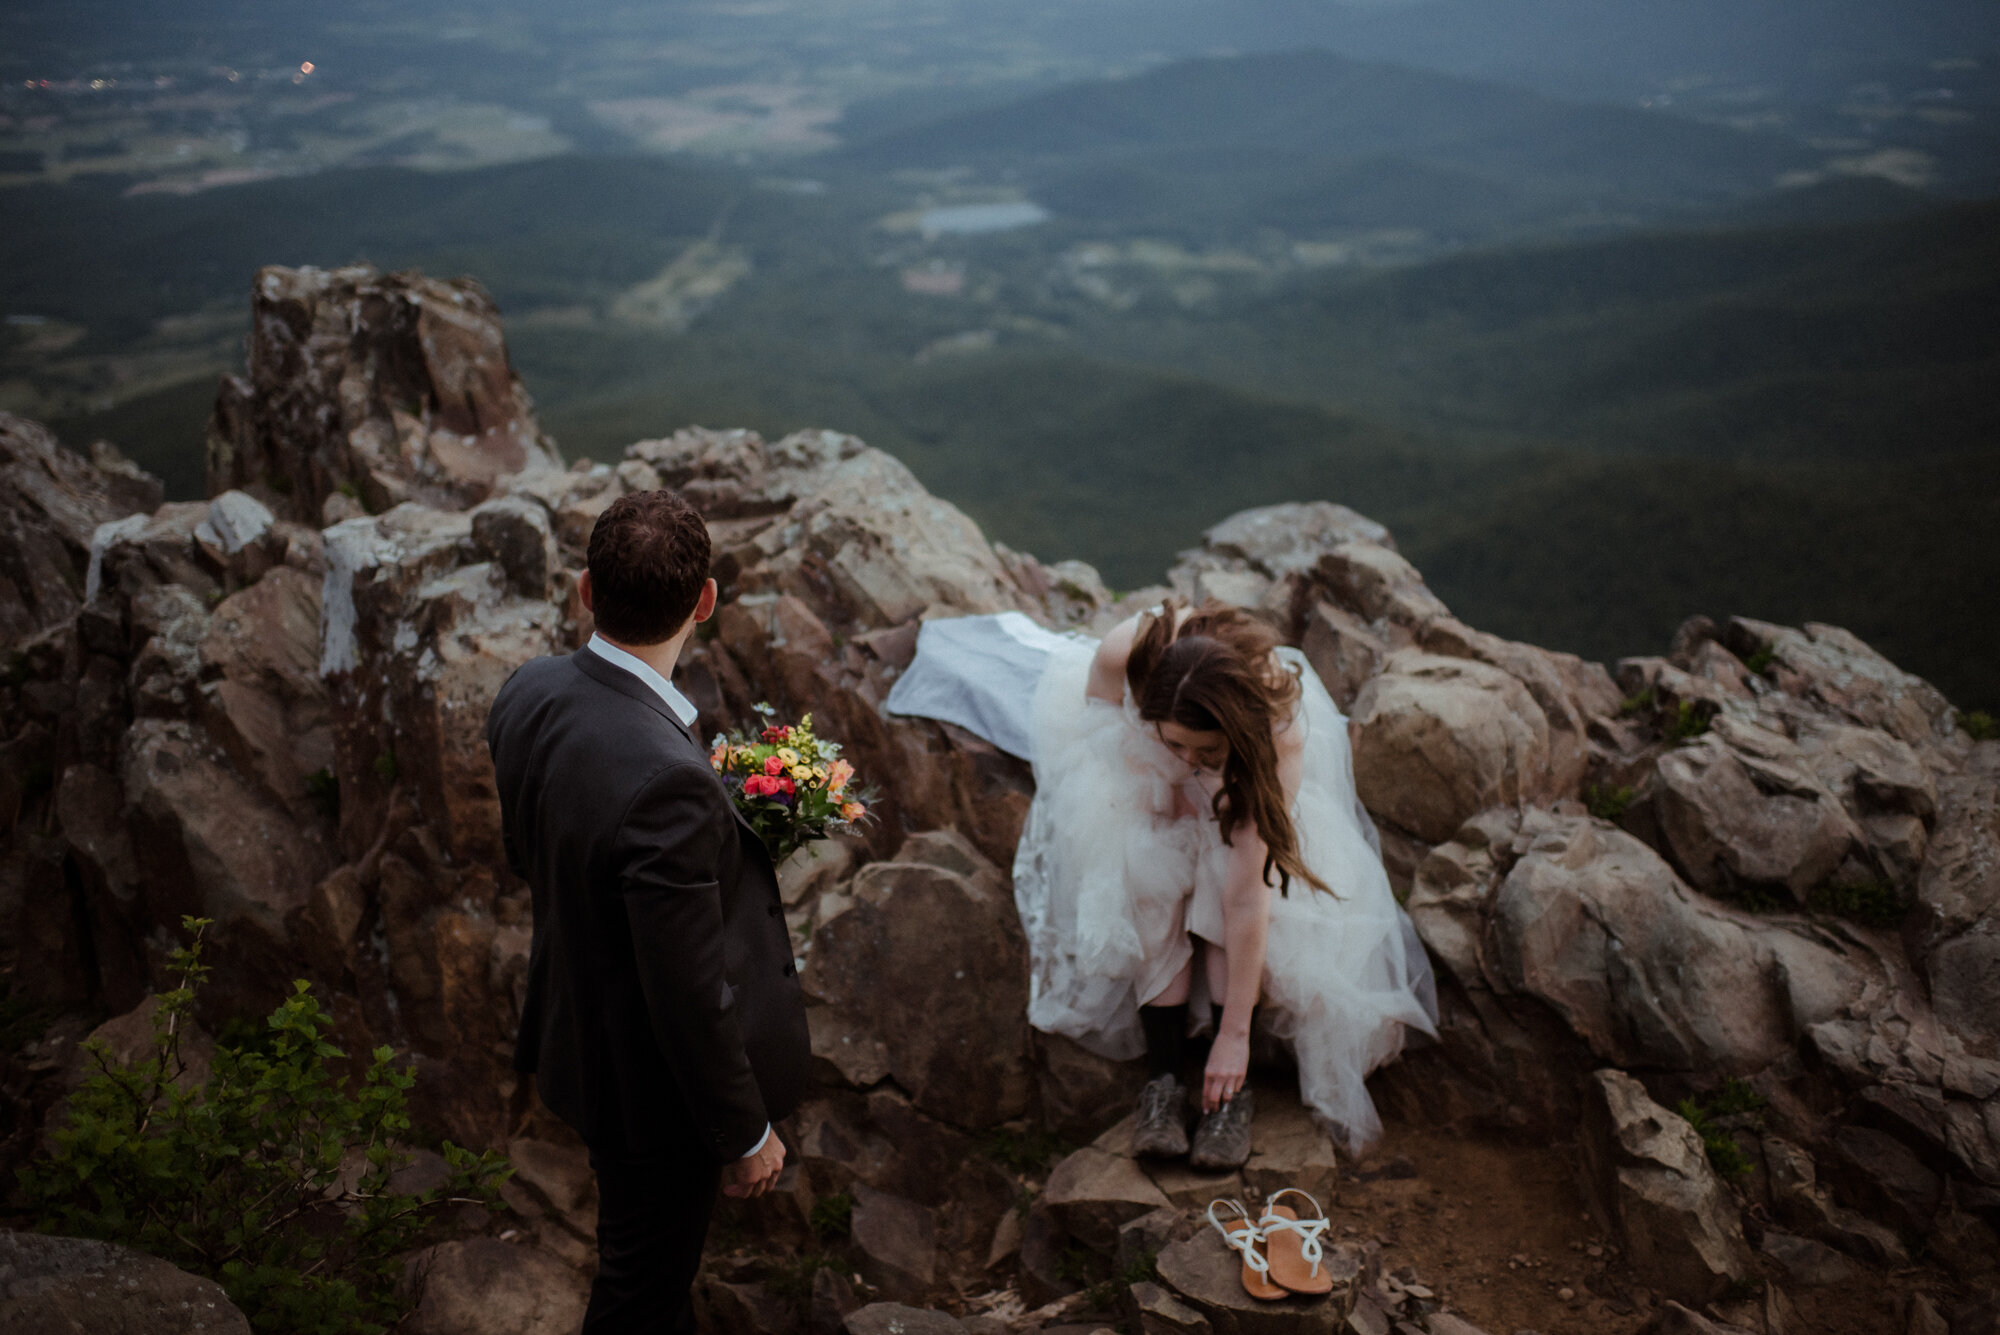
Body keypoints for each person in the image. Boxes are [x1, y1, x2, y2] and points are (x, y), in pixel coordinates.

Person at [888, 600, 1436, 1164]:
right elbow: (1098, 730)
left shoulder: (1276, 734)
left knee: (1225, 872)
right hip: (1135, 763)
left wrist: (1235, 1040)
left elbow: (1249, 896)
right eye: (1179, 743)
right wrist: (1161, 779)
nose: (1191, 759)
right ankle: (1165, 1079)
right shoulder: (1123, 654)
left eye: (1206, 751)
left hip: (1244, 783)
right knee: (1142, 862)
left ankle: (1229, 1088)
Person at [487, 489, 810, 1334]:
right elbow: (689, 991)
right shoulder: (669, 778)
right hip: (651, 1091)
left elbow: (537, 850)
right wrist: (744, 1135)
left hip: (575, 1030)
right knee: (641, 1291)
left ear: (585, 588)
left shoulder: (528, 690)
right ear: (705, 601)